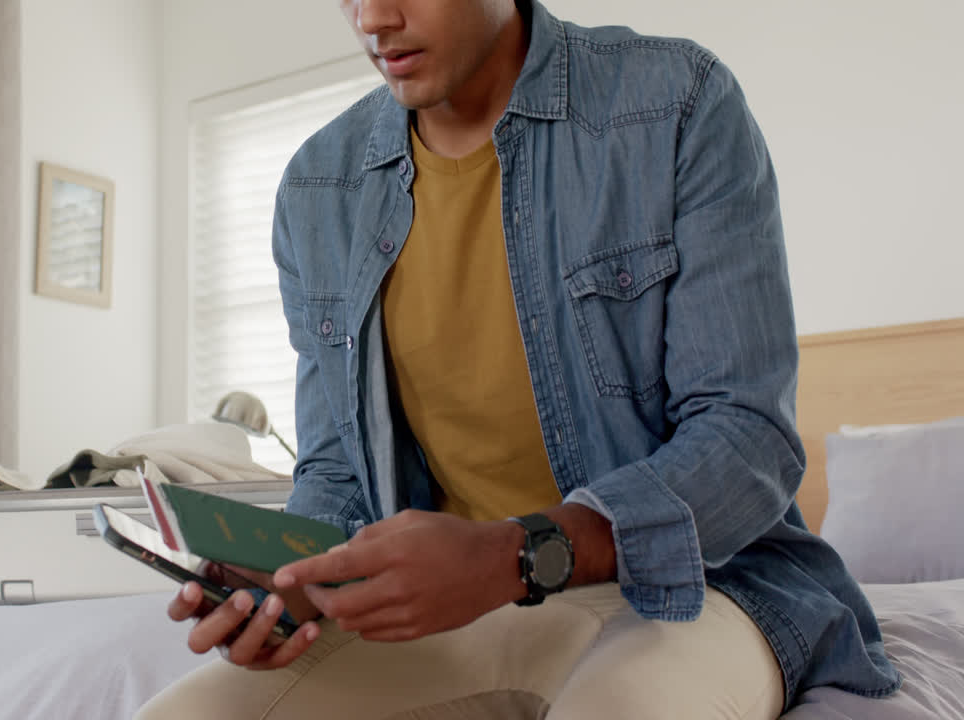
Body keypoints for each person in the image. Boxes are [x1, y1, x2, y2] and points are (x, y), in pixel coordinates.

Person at [139, 1, 900, 717]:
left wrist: (518, 554)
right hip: (444, 617)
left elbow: (746, 440)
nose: (374, 19)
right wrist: (289, 581)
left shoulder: (674, 103)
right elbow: (338, 474)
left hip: (697, 592)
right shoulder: (317, 188)